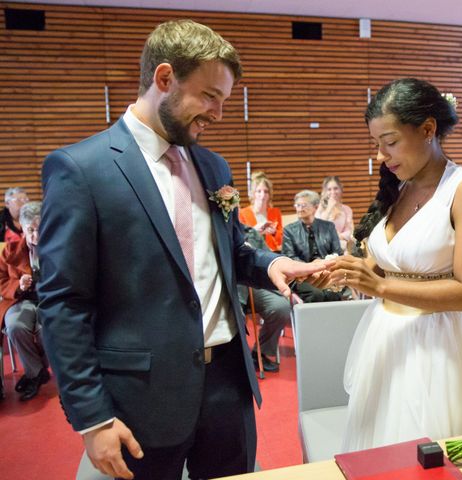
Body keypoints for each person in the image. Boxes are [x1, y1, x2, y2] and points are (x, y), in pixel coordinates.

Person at [37, 19, 326, 480]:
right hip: (140, 398)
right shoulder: (81, 169)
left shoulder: (212, 165)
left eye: (225, 101)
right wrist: (93, 418)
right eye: (210, 96)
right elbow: (63, 304)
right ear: (165, 78)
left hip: (228, 389)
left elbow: (230, 252)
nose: (218, 113)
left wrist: (273, 262)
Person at [320, 78, 462, 452]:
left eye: (391, 142)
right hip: (385, 337)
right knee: (378, 448)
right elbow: (387, 264)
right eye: (377, 145)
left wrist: (380, 287)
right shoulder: (399, 186)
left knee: (427, 453)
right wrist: (347, 271)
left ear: (428, 129)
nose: (382, 155)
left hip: (436, 345)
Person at [0, 201, 50, 401]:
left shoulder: (58, 250)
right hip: (20, 301)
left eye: (40, 229)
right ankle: (36, 373)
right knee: (15, 326)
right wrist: (17, 285)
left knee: (47, 329)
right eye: (30, 230)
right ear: (22, 228)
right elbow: (1, 280)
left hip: (50, 301)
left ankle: (34, 374)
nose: (36, 236)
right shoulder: (10, 251)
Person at [238, 225, 291, 373]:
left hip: (254, 286)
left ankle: (259, 353)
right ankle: (236, 357)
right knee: (236, 314)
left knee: (280, 307)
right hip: (229, 287)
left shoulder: (251, 232)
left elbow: (267, 257)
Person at [282, 190, 344, 303]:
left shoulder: (328, 227)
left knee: (333, 293)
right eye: (297, 205)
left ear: (315, 207)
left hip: (325, 272)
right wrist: (310, 266)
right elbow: (289, 257)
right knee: (317, 294)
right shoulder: (289, 230)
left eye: (304, 205)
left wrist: (323, 264)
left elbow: (338, 253)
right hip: (301, 277)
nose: (300, 208)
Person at [239, 171, 283, 251]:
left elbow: (281, 240)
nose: (262, 195)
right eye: (259, 191)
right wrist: (254, 231)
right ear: (253, 193)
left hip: (273, 252)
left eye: (266, 191)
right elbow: (241, 240)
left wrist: (274, 233)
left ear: (269, 194)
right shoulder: (243, 213)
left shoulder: (275, 212)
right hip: (253, 252)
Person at [316, 176, 354, 252]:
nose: (333, 192)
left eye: (336, 188)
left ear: (341, 190)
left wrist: (337, 236)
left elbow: (349, 231)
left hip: (341, 244)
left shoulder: (347, 209)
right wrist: (329, 208)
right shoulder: (320, 208)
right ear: (325, 192)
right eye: (329, 189)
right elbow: (317, 227)